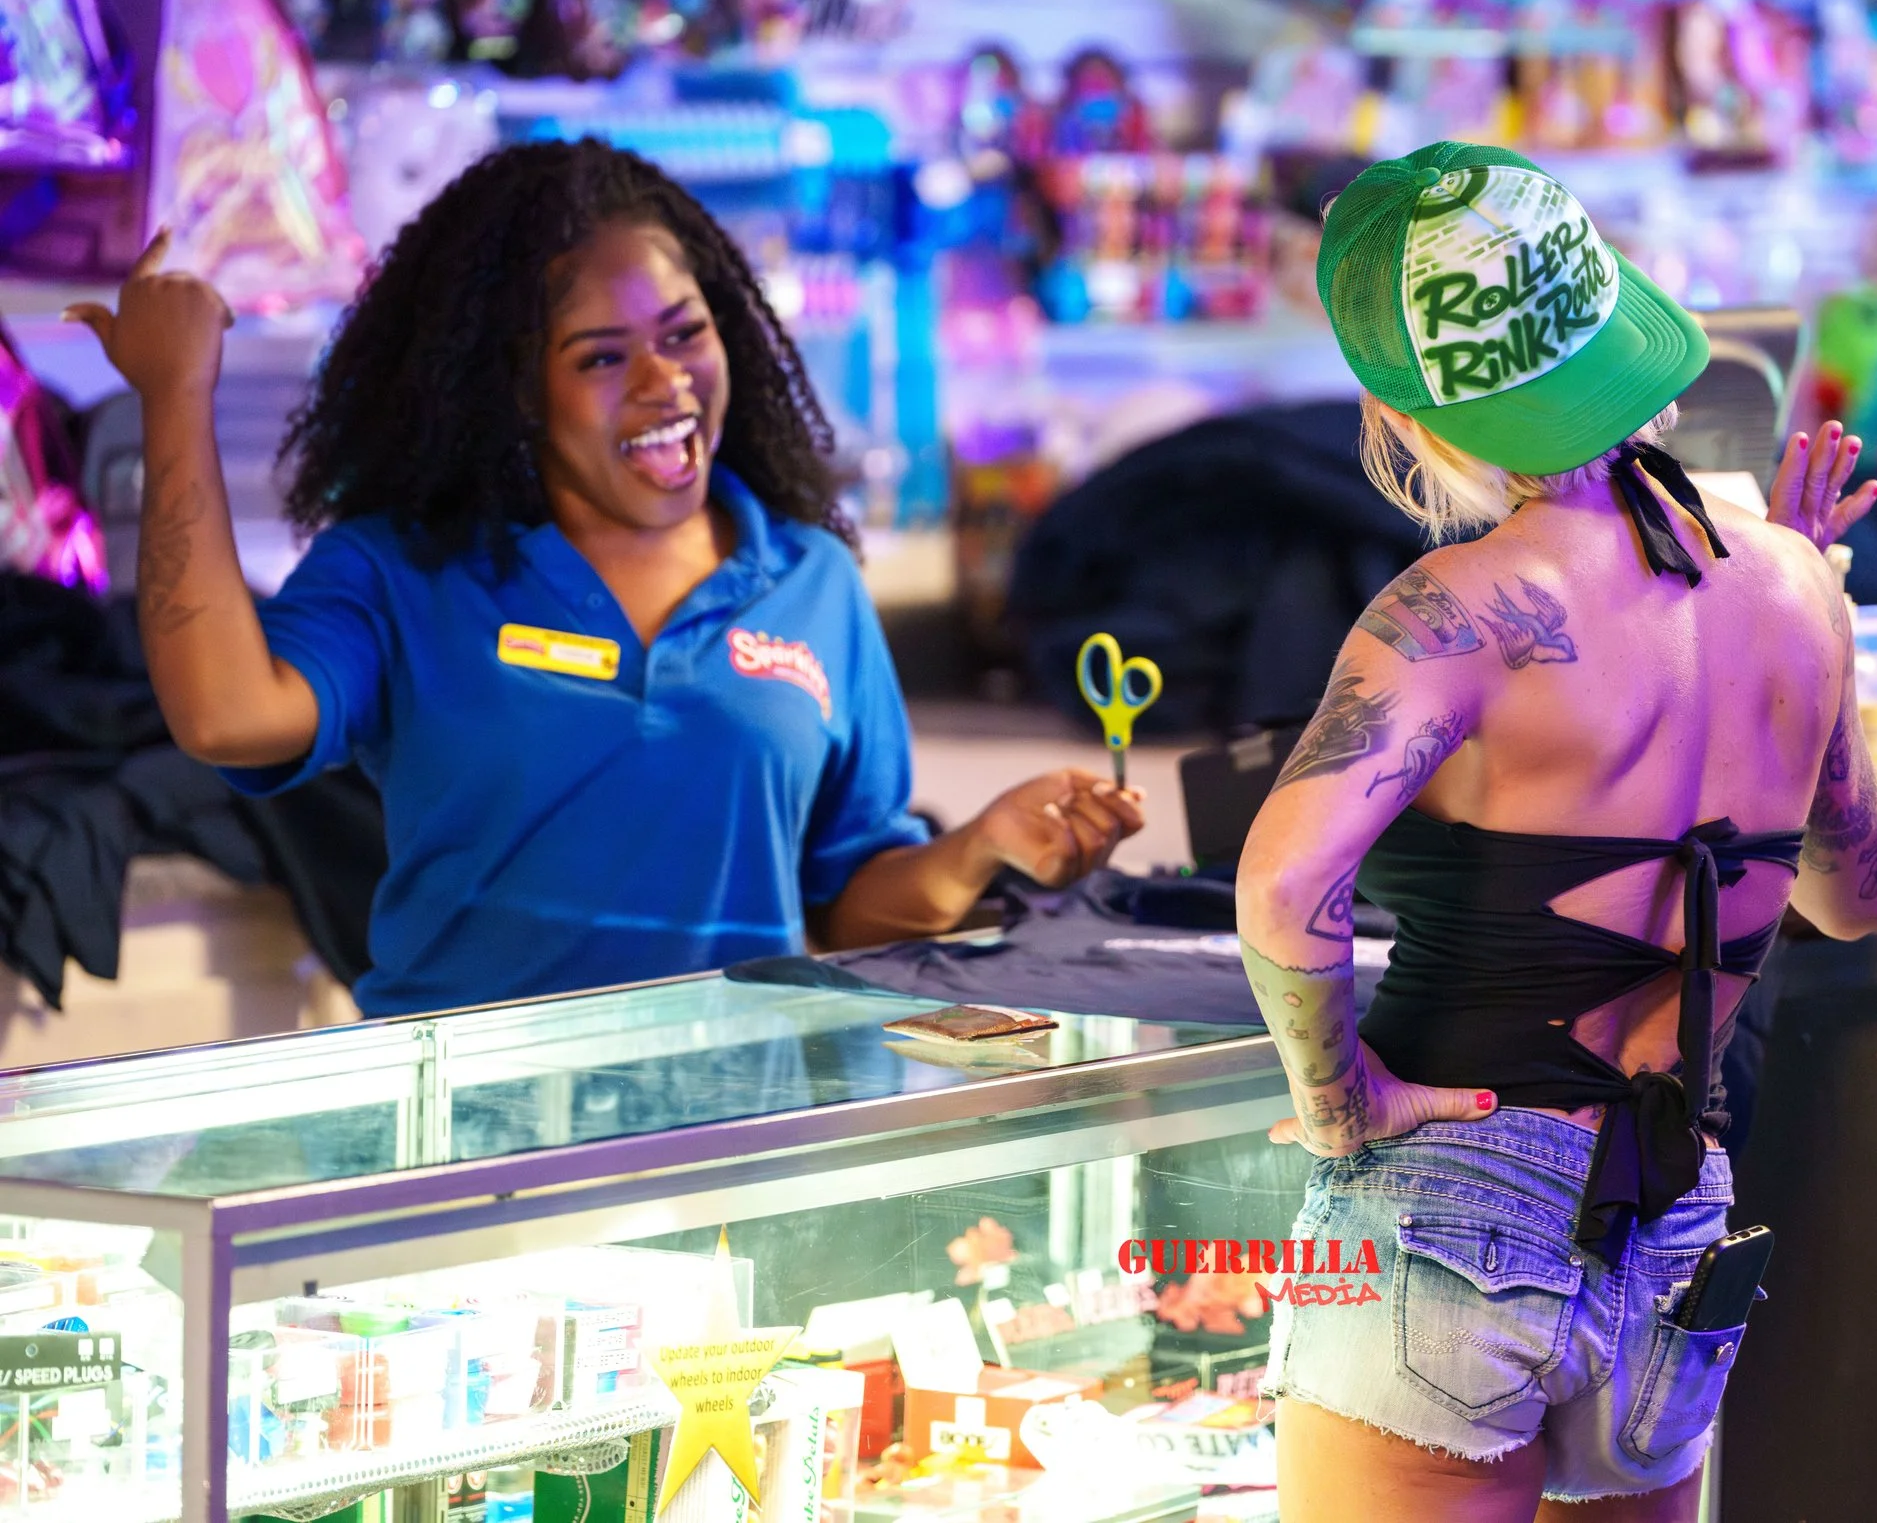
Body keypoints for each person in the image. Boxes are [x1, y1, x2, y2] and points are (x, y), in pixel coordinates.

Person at [67, 139, 1145, 1018]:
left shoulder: (810, 579)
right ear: (516, 395)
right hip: (467, 1143)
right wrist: (177, 394)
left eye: (685, 333)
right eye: (600, 356)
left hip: (733, 1143)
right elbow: (222, 715)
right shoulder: (403, 570)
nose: (665, 380)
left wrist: (982, 847)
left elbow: (849, 903)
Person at [1235, 143, 1877, 1522]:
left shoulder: (1456, 607)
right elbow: (1856, 891)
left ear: (1408, 413)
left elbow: (1284, 885)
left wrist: (1336, 1098)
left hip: (1451, 1199)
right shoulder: (1791, 582)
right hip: (1675, 1212)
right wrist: (1814, 615)